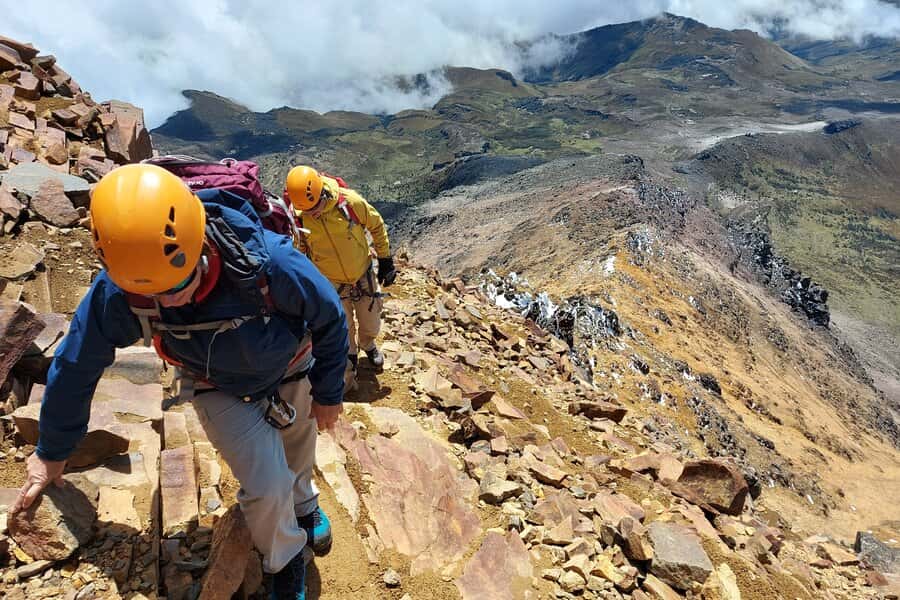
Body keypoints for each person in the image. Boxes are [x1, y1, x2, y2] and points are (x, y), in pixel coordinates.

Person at [10, 164, 347, 600]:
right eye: (155, 296)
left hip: (291, 365)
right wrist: (52, 451)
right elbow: (77, 364)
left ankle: (305, 506)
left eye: (181, 282)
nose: (170, 300)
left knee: (298, 452)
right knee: (266, 486)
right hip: (214, 381)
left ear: (200, 242)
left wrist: (328, 393)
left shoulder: (268, 261)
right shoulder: (121, 288)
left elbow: (330, 319)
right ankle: (284, 558)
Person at [285, 166, 396, 391]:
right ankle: (351, 355)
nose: (312, 214)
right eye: (306, 210)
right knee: (342, 326)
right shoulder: (299, 217)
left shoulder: (349, 203)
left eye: (314, 207)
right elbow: (299, 251)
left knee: (371, 321)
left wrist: (385, 259)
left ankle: (368, 343)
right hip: (330, 281)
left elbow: (376, 224)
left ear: (322, 194)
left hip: (362, 272)